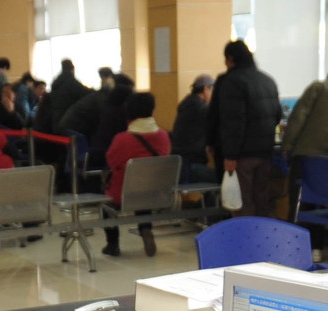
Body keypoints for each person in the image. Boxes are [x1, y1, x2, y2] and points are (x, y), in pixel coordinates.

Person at [282, 65, 328, 259]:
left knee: (299, 204)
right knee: (322, 204)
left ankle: (293, 248)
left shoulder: (320, 87)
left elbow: (298, 118)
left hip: (307, 158)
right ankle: (316, 249)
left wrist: (287, 147)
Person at [213, 40, 282, 218]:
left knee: (243, 202)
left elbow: (233, 122)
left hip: (243, 155)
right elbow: (277, 115)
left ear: (230, 59)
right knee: (262, 198)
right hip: (265, 152)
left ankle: (246, 241)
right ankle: (263, 240)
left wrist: (230, 155)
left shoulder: (232, 82)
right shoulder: (267, 80)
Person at [103, 91, 171, 258]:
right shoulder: (164, 136)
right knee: (143, 192)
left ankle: (113, 245)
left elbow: (112, 163)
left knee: (107, 205)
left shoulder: (122, 139)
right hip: (155, 192)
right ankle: (145, 228)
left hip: (124, 194)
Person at [171, 73, 216, 183]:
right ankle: (210, 201)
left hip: (178, 165)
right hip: (191, 167)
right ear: (206, 89)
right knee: (224, 178)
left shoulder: (186, 105)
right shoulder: (203, 109)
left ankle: (206, 201)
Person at [49, 58, 92, 129]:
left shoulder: (56, 82)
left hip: (55, 120)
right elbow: (85, 92)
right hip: (68, 121)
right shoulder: (71, 81)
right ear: (72, 69)